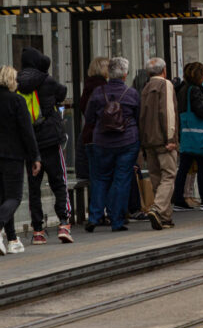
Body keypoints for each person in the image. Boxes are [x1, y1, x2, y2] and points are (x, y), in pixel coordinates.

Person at [0, 65, 41, 256]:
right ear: (13, 81)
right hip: (12, 156)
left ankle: (12, 240)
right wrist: (35, 156)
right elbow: (27, 131)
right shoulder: (17, 101)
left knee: (5, 197)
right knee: (15, 197)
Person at [16, 48, 72, 245]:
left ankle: (38, 230)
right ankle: (64, 223)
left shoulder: (17, 83)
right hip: (50, 141)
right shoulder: (46, 80)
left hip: (30, 144)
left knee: (34, 189)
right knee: (59, 182)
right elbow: (63, 92)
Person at [84, 57, 140, 232]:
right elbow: (139, 118)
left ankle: (94, 217)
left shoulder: (98, 92)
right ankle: (117, 221)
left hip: (102, 141)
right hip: (127, 141)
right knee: (122, 180)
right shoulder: (132, 93)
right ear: (125, 74)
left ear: (109, 73)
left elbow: (89, 117)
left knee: (100, 179)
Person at [171, 62, 203, 211]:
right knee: (202, 166)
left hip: (187, 134)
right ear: (198, 75)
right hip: (197, 135)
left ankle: (179, 200)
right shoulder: (194, 90)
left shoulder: (182, 89)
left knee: (184, 167)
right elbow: (201, 111)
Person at [139, 58, 178, 230]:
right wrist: (171, 138)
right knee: (169, 175)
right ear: (164, 70)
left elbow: (142, 115)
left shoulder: (146, 87)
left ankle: (164, 217)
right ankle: (158, 208)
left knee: (156, 177)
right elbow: (168, 111)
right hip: (163, 139)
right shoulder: (165, 84)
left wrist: (143, 142)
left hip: (148, 140)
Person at [76, 56, 109, 223]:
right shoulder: (103, 87)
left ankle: (96, 213)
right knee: (104, 176)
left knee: (96, 176)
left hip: (88, 136)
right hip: (101, 137)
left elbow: (84, 110)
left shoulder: (87, 87)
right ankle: (101, 212)